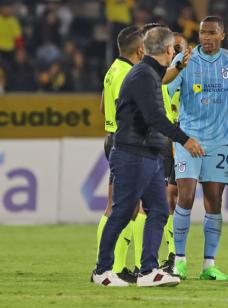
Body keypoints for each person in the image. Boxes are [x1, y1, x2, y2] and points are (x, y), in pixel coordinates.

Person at [92, 26, 204, 287]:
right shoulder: (143, 75)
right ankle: (102, 271)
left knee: (159, 210)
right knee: (121, 213)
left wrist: (178, 66)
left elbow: (163, 76)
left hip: (149, 153)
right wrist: (184, 139)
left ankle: (148, 271)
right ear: (168, 49)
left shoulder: (148, 72)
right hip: (133, 153)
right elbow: (154, 116)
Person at [168, 16, 228, 281]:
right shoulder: (185, 60)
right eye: (203, 32)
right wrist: (171, 119)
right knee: (185, 197)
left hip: (219, 141)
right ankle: (179, 261)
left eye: (212, 33)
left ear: (222, 35)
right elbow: (166, 88)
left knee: (214, 201)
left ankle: (209, 265)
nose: (206, 37)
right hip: (188, 140)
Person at [96, 25, 145, 284]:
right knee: (120, 207)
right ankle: (108, 267)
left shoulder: (112, 69)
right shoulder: (130, 73)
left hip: (111, 136)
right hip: (124, 141)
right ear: (140, 49)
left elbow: (103, 104)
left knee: (126, 206)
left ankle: (114, 266)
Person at [159, 32, 189, 272]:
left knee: (174, 197)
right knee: (167, 199)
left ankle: (174, 254)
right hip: (166, 138)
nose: (178, 51)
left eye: (181, 47)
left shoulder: (191, 74)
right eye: (174, 47)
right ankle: (171, 253)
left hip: (182, 138)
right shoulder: (162, 78)